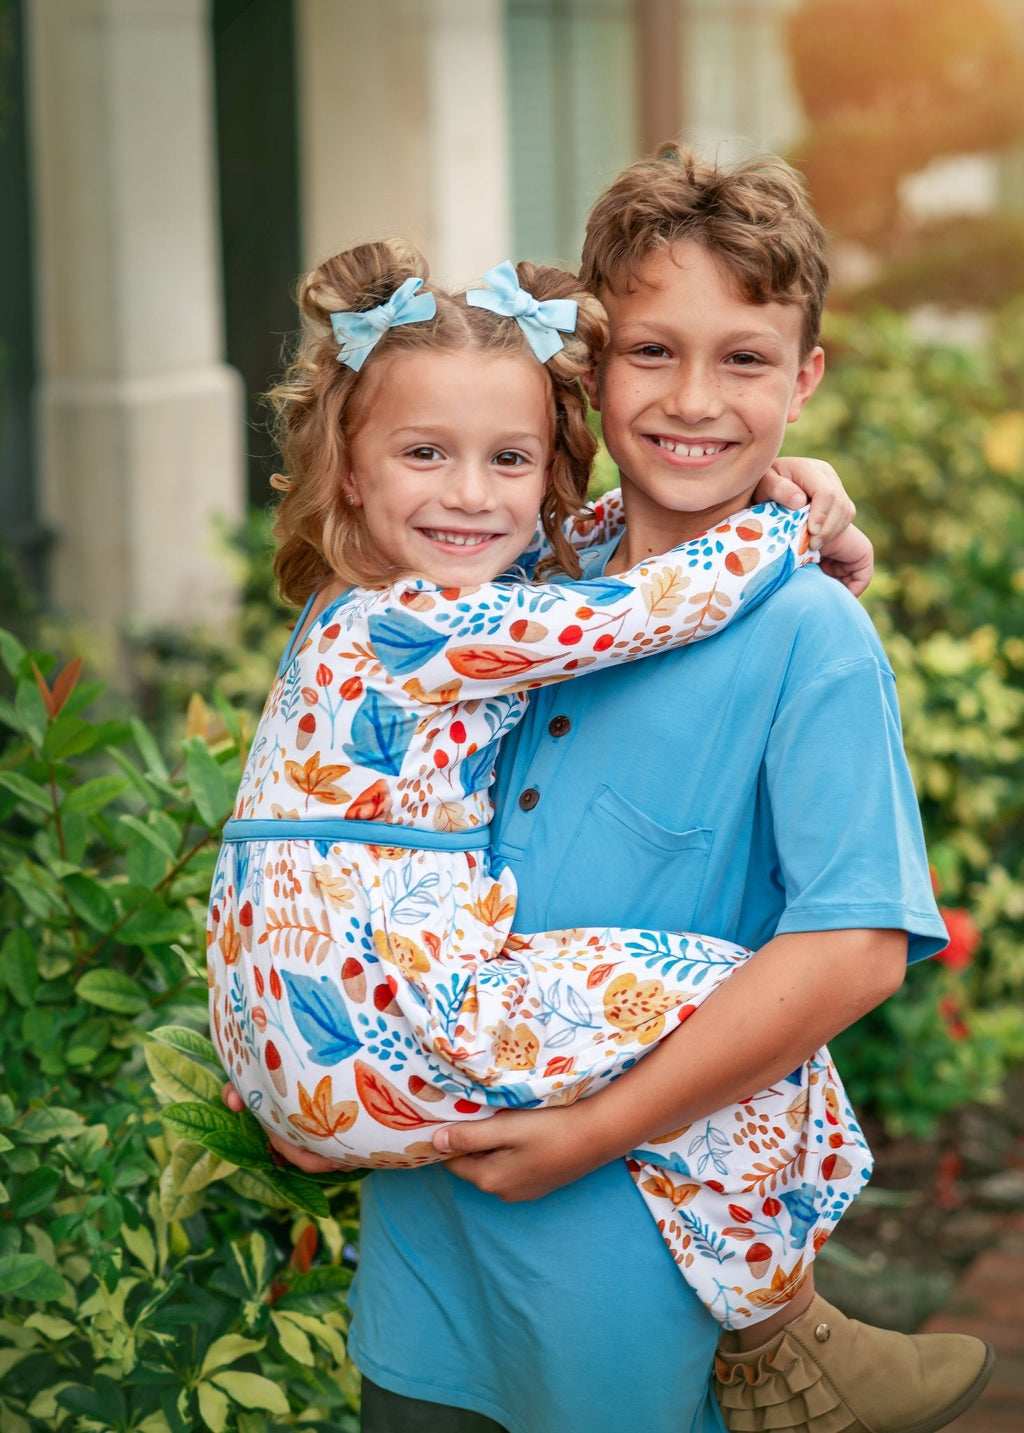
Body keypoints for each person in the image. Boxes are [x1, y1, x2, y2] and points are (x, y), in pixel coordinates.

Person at [331, 150, 993, 1433]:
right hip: (421, 1247)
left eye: (744, 359)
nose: (694, 400)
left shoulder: (809, 637)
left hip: (629, 1273)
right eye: (651, 352)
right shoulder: (516, 579)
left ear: (805, 378)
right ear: (587, 364)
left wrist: (595, 1130)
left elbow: (854, 947)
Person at [208, 238, 874, 1328]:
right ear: (350, 467)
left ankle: (768, 1304)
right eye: (426, 453)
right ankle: (780, 1325)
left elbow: (574, 568)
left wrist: (799, 489)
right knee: (736, 999)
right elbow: (641, 606)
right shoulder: (417, 630)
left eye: (508, 460)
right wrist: (780, 519)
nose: (471, 494)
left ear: (545, 468)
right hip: (391, 1023)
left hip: (288, 1038)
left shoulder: (359, 608)